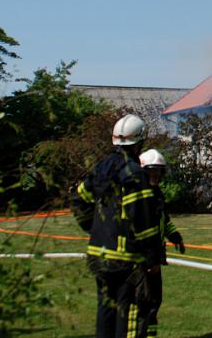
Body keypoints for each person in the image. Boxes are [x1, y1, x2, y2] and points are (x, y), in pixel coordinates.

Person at [71, 114, 163, 337]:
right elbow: (142, 220)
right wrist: (152, 257)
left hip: (98, 254)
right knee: (128, 311)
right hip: (125, 259)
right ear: (139, 142)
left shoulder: (101, 168)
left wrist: (94, 229)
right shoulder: (133, 173)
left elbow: (79, 199)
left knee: (106, 311)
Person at [138, 149, 186, 338]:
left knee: (154, 301)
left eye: (159, 171)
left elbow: (163, 221)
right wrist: (150, 261)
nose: (156, 175)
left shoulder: (156, 193)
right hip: (142, 261)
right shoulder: (140, 196)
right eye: (152, 171)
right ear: (144, 171)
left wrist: (176, 237)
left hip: (154, 258)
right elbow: (142, 232)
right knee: (142, 302)